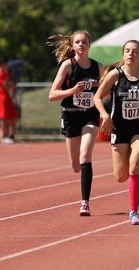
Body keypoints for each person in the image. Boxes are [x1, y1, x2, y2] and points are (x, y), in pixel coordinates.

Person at [94, 40, 139, 225]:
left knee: (135, 168)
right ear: (123, 54)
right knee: (121, 176)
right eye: (127, 51)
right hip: (119, 128)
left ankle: (134, 212)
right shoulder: (115, 75)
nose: (131, 54)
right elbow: (97, 97)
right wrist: (105, 116)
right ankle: (128, 162)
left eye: (135, 52)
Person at [47, 30, 104, 216]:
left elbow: (107, 93)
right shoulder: (68, 65)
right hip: (71, 115)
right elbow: (52, 95)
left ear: (89, 44)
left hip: (90, 116)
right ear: (73, 46)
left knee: (85, 154)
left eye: (84, 42)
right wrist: (72, 90)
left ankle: (85, 203)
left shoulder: (98, 67)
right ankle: (81, 170)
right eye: (77, 42)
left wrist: (103, 93)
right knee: (75, 165)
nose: (81, 45)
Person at [0, 57, 18, 144]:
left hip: (8, 97)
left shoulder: (7, 72)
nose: (7, 66)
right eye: (6, 64)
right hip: (2, 97)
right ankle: (3, 137)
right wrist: (11, 85)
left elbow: (11, 82)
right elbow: (5, 84)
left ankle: (12, 136)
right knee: (3, 117)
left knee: (13, 116)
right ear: (2, 64)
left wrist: (13, 86)